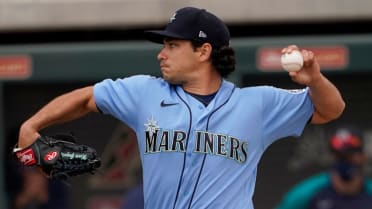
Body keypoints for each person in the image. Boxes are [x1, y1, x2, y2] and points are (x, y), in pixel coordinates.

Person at [15, 6, 345, 209]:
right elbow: (86, 98)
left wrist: (314, 78)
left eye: (173, 45)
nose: (162, 53)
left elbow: (330, 109)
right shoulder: (144, 92)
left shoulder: (256, 104)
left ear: (203, 51)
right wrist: (31, 126)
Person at [274, 126, 372, 209]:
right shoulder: (307, 193)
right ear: (331, 157)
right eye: (339, 156)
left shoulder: (369, 191)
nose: (344, 160)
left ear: (363, 157)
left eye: (349, 155)